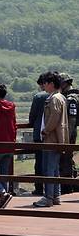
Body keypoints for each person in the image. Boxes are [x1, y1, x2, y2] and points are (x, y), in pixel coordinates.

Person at [34, 72, 69, 207]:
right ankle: (56, 196)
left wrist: (46, 130)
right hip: (57, 138)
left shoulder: (54, 98)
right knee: (54, 169)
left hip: (51, 138)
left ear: (52, 84)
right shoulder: (61, 97)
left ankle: (48, 197)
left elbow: (54, 117)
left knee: (48, 169)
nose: (44, 86)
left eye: (46, 83)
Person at [28, 74, 48, 196]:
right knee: (51, 162)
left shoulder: (38, 97)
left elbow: (32, 116)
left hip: (39, 134)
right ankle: (53, 188)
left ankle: (39, 187)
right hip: (52, 135)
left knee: (39, 162)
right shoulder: (59, 96)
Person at [59, 73, 79, 194]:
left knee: (65, 158)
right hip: (71, 132)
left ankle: (67, 186)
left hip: (69, 133)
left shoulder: (71, 98)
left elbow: (71, 121)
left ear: (64, 83)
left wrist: (65, 139)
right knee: (68, 158)